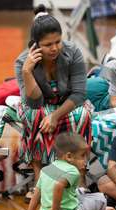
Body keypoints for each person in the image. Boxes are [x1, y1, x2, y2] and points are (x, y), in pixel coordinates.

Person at [14, 5, 91, 200]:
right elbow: (33, 102)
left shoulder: (73, 52)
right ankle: (40, 179)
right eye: (48, 44)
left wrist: (55, 116)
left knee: (82, 114)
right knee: (35, 115)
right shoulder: (22, 61)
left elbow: (80, 94)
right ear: (36, 44)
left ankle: (80, 177)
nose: (55, 48)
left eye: (58, 41)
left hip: (68, 103)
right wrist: (27, 72)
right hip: (40, 105)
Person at [17, 132, 114, 210]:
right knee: (100, 199)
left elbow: (37, 193)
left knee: (80, 191)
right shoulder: (72, 171)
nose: (85, 160)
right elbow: (58, 186)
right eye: (82, 156)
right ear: (69, 157)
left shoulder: (45, 170)